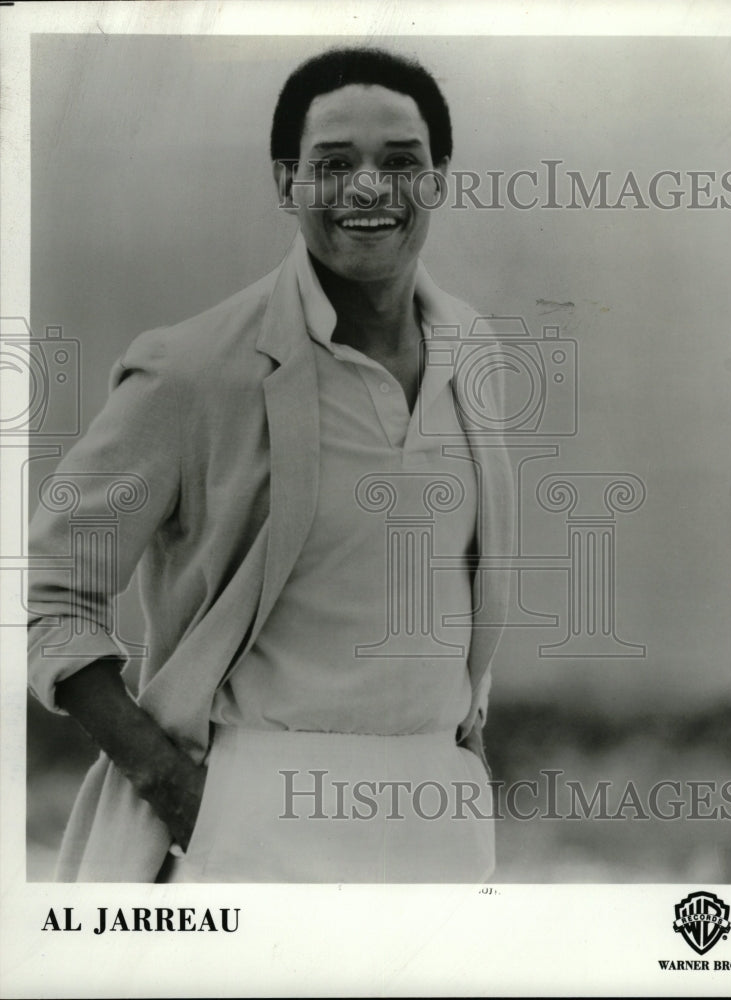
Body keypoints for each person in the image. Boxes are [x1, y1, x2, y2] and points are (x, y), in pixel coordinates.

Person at [27, 46, 514, 883]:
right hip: (250, 821)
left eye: (401, 163)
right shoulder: (195, 367)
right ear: (285, 182)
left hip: (442, 823)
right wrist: (174, 787)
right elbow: (43, 591)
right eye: (332, 164)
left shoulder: (471, 350)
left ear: (437, 180)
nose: (368, 188)